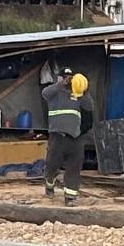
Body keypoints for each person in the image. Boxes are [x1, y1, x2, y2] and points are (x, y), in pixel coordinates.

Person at [42, 69, 92, 201]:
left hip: (75, 138)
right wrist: (60, 84)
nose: (68, 80)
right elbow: (45, 93)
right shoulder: (54, 93)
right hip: (57, 136)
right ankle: (49, 183)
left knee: (74, 166)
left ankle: (70, 197)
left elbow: (89, 107)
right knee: (52, 165)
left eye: (70, 77)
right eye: (64, 77)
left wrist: (83, 90)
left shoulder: (77, 94)